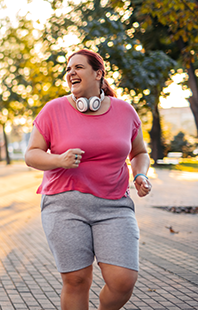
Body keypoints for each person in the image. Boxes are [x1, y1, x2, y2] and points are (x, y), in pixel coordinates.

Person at [24, 49, 152, 310]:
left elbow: (139, 152)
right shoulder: (53, 110)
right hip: (64, 204)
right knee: (77, 280)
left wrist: (140, 174)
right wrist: (59, 160)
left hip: (114, 206)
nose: (71, 72)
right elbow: (31, 155)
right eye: (68, 68)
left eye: (78, 67)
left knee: (123, 281)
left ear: (98, 73)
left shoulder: (125, 111)